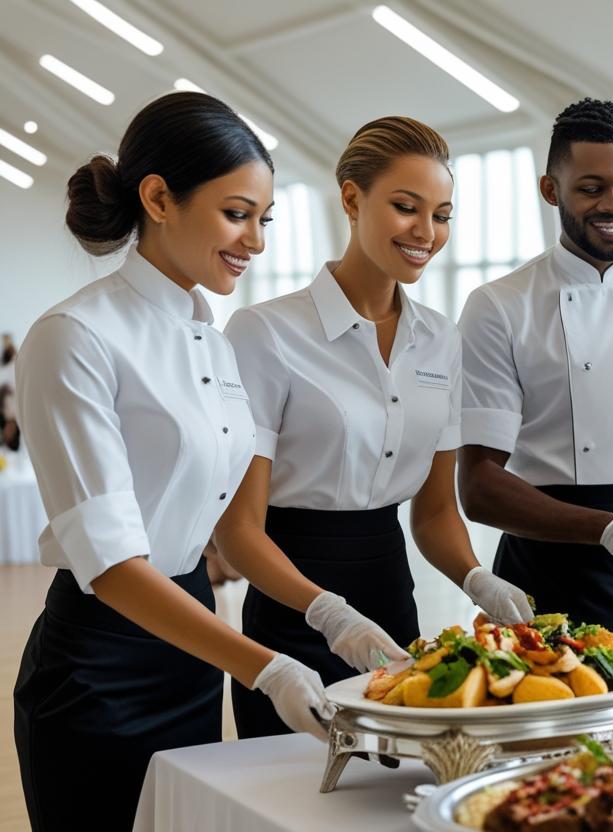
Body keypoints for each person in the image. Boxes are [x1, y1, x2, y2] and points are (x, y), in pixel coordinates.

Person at [13, 92, 330, 832]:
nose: (255, 241)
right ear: (158, 197)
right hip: (101, 666)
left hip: (191, 652)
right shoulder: (73, 337)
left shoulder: (208, 336)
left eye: (265, 219)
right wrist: (265, 666)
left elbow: (221, 520)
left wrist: (324, 612)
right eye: (236, 213)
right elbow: (116, 564)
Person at [216, 117, 531, 739]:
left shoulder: (441, 340)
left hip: (391, 600)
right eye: (406, 207)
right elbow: (238, 530)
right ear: (352, 199)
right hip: (291, 606)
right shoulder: (265, 332)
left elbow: (435, 512)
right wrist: (327, 612)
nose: (426, 232)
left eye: (442, 214)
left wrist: (477, 578)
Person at [457, 99, 613, 661]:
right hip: (545, 565)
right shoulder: (499, 306)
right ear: (551, 189)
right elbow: (478, 487)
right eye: (591, 188)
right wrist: (612, 529)